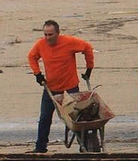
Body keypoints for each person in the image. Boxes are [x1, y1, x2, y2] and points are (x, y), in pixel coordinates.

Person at [27, 20, 94, 153]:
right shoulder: (40, 44)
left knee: (77, 118)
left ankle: (84, 145)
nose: (47, 38)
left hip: (70, 88)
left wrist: (89, 69)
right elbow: (31, 57)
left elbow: (87, 47)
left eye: (50, 34)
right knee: (45, 117)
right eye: (45, 34)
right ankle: (40, 147)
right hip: (51, 88)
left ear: (58, 33)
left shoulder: (69, 42)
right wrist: (37, 74)